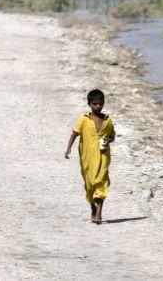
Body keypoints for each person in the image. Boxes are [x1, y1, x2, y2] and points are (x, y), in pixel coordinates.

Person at [64, 89, 115, 224]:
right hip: (87, 159)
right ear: (89, 104)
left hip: (103, 157)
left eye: (100, 103)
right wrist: (68, 149)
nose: (98, 106)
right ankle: (93, 206)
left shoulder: (108, 121)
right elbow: (74, 134)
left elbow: (112, 136)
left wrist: (107, 141)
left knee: (101, 182)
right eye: (95, 104)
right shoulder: (84, 120)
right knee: (89, 185)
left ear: (104, 103)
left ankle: (99, 213)